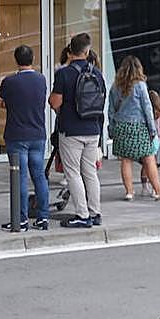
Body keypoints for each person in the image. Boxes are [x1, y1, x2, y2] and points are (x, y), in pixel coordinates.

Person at [49, 32, 106, 228]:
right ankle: (95, 212)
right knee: (90, 172)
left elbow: (55, 101)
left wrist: (60, 111)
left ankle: (82, 215)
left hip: (71, 129)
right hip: (93, 129)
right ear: (87, 51)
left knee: (73, 173)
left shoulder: (64, 73)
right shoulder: (97, 73)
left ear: (70, 51)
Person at [0, 45, 49, 231]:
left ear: (16, 60)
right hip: (38, 135)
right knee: (39, 176)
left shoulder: (9, 81)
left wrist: (12, 105)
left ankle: (21, 220)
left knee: (20, 177)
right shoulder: (41, 79)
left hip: (17, 135)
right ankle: (43, 218)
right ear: (32, 59)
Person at [107, 56, 160, 202]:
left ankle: (129, 192)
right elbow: (147, 109)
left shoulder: (115, 87)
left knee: (126, 160)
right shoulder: (140, 85)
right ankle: (158, 191)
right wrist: (152, 130)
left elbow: (111, 110)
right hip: (139, 127)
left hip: (121, 126)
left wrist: (111, 129)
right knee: (149, 158)